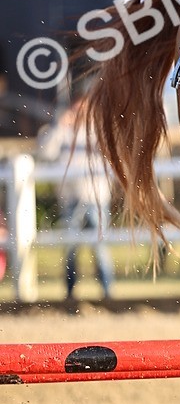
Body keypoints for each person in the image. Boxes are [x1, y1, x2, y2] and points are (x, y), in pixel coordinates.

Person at [38, 96, 115, 302]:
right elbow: (45, 153)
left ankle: (108, 291)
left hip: (95, 197)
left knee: (100, 246)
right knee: (70, 247)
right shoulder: (62, 130)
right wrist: (59, 126)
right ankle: (70, 292)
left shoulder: (98, 129)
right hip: (70, 198)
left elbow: (110, 151)